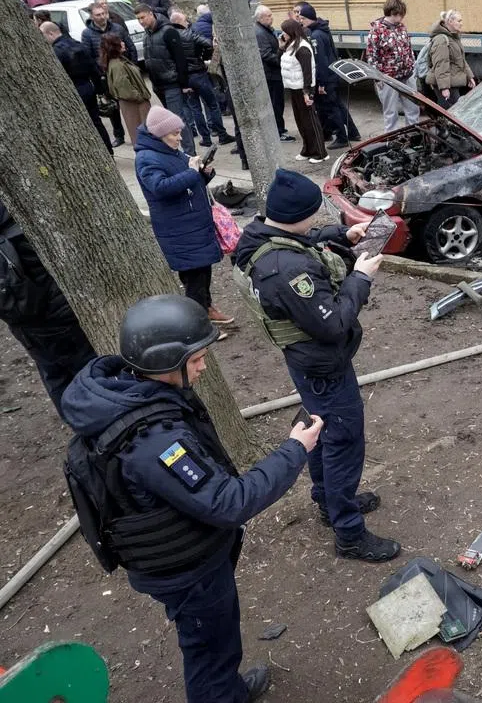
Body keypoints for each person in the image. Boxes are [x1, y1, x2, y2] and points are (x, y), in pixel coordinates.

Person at [61, 294, 325, 703]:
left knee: (214, 637)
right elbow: (227, 502)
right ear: (165, 360)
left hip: (181, 550)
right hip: (185, 569)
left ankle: (228, 688)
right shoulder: (155, 443)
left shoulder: (131, 391)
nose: (204, 366)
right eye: (197, 359)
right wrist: (295, 450)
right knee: (210, 648)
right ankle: (221, 694)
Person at [232, 169, 399, 563]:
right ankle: (349, 533)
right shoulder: (289, 272)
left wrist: (343, 235)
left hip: (307, 362)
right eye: (313, 212)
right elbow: (333, 324)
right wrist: (360, 278)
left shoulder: (262, 235)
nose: (316, 219)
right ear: (299, 213)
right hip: (323, 364)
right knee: (343, 441)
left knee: (321, 430)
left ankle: (328, 501)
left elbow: (300, 240)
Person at [134, 106, 235, 329]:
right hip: (179, 230)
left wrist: (203, 174)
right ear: (159, 134)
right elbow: (160, 188)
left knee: (202, 272)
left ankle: (206, 309)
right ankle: (198, 326)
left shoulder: (171, 152)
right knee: (194, 280)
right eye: (174, 134)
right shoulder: (146, 159)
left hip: (194, 225)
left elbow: (187, 184)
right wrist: (191, 172)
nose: (179, 138)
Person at [0, 202, 97, 419]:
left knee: (53, 373)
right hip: (56, 315)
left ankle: (77, 423)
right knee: (86, 370)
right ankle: (97, 424)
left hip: (21, 322)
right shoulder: (23, 224)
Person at [294, 2, 360, 148]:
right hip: (332, 75)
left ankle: (342, 137)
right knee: (338, 105)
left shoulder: (316, 35)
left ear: (309, 18)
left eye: (303, 18)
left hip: (326, 78)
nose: (301, 21)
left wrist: (322, 83)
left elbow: (320, 61)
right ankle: (353, 132)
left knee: (330, 108)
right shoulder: (323, 29)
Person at [41, 21, 113, 153]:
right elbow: (94, 70)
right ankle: (108, 151)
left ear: (50, 34)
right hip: (88, 87)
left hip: (73, 90)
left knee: (82, 125)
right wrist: (100, 91)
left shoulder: (57, 52)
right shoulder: (78, 45)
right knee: (96, 122)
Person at [136, 3, 196, 155]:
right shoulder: (147, 34)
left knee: (178, 120)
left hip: (172, 83)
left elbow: (180, 58)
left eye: (143, 17)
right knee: (171, 120)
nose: (141, 21)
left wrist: (183, 84)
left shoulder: (168, 31)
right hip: (158, 84)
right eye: (138, 19)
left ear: (151, 14)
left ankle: (189, 153)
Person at [170, 9, 235, 148]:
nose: (188, 22)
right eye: (185, 20)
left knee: (195, 108)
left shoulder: (170, 37)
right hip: (198, 74)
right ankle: (221, 134)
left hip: (185, 78)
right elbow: (207, 43)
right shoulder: (190, 34)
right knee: (212, 105)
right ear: (180, 22)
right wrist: (203, 55)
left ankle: (206, 138)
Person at [82, 0, 137, 147]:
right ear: (92, 17)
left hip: (124, 70)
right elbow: (89, 57)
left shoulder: (117, 28)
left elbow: (130, 46)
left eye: (103, 14)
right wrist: (99, 74)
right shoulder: (87, 34)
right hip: (105, 75)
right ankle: (119, 135)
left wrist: (133, 67)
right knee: (113, 108)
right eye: (98, 15)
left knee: (130, 103)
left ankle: (137, 133)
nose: (102, 17)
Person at [365, 0, 421, 133]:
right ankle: (391, 139)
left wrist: (412, 67)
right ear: (393, 13)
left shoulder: (401, 27)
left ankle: (413, 135)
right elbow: (372, 57)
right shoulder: (376, 31)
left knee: (413, 108)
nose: (402, 18)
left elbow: (408, 48)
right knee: (390, 113)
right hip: (388, 79)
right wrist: (378, 79)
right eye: (400, 15)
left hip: (407, 76)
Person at [280, 19, 328, 163]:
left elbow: (308, 72)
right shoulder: (291, 45)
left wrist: (307, 92)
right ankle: (307, 150)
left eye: (284, 31)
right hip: (294, 88)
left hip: (303, 89)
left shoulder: (302, 48)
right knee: (301, 122)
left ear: (291, 31)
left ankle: (320, 152)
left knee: (311, 122)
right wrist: (281, 46)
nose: (283, 34)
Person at [101, 34, 151, 145]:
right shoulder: (118, 65)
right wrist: (140, 97)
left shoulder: (120, 61)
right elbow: (124, 88)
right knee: (142, 136)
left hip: (136, 103)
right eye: (120, 42)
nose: (123, 43)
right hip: (135, 105)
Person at [255, 5, 295, 141]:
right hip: (271, 75)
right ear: (260, 18)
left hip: (273, 74)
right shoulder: (260, 33)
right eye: (269, 16)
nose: (271, 18)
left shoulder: (266, 30)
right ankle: (278, 131)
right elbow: (266, 55)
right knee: (276, 104)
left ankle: (279, 129)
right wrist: (282, 56)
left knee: (277, 103)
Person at [427, 10, 475, 109]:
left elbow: (460, 59)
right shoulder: (441, 40)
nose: (461, 24)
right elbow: (440, 64)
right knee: (451, 113)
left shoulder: (453, 37)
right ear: (450, 22)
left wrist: (469, 76)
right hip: (446, 84)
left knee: (452, 112)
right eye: (459, 21)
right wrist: (444, 88)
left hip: (451, 81)